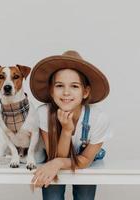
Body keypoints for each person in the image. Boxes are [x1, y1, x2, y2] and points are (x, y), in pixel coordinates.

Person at [29, 50, 112, 200]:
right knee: (52, 190)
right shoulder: (43, 113)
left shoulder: (98, 118)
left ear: (85, 91)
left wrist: (59, 162)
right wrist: (66, 131)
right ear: (51, 90)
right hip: (55, 160)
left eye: (74, 86)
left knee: (85, 194)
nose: (66, 92)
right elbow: (54, 156)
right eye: (60, 85)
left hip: (83, 162)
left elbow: (85, 160)